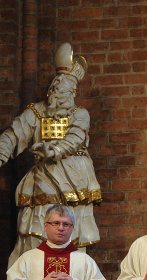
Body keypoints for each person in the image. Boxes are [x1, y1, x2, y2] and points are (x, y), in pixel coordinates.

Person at [0, 43, 102, 266]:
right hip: (44, 177)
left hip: (77, 180)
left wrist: (53, 150)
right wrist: (2, 150)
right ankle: (31, 279)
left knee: (74, 236)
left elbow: (74, 139)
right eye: (56, 88)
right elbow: (13, 134)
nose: (59, 94)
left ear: (73, 92)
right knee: (34, 233)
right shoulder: (36, 112)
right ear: (50, 90)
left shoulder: (80, 114)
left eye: (65, 90)